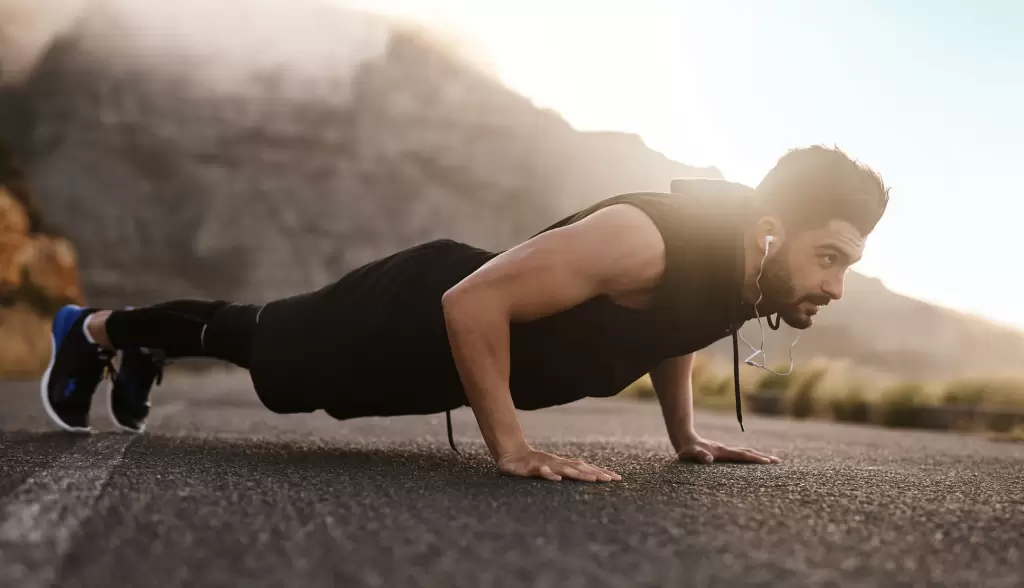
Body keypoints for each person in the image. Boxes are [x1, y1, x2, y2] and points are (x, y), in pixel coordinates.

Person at [39, 145, 888, 483]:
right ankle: (96, 331)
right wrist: (511, 448)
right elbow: (471, 300)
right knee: (263, 348)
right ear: (775, 234)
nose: (838, 286)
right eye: (830, 259)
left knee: (270, 358)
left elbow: (674, 329)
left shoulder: (742, 271)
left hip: (439, 347)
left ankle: (133, 344)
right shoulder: (651, 240)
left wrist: (684, 439)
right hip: (410, 313)